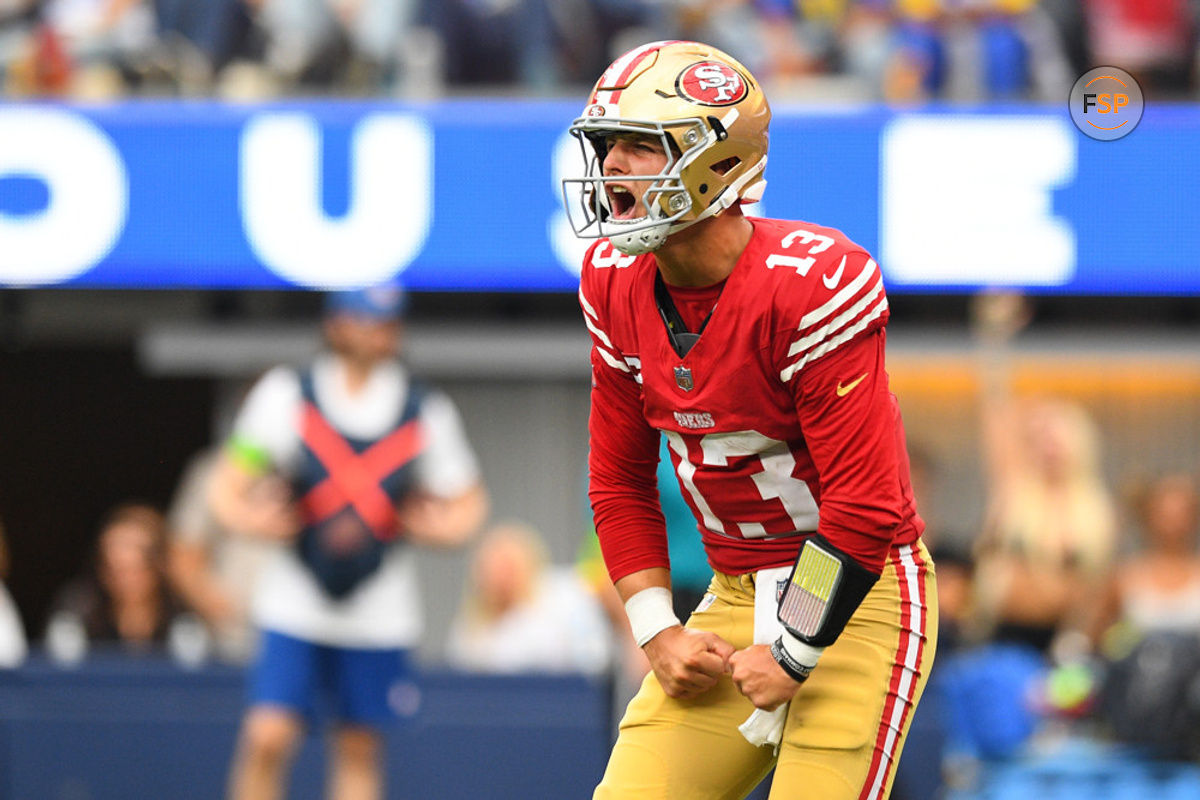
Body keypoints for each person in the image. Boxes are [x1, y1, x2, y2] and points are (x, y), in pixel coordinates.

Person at [562, 40, 937, 800]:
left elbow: (867, 507)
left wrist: (796, 646)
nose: (613, 170)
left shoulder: (811, 284)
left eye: (640, 147)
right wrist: (657, 629)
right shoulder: (612, 281)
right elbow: (619, 478)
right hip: (732, 594)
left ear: (716, 162)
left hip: (856, 600)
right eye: (608, 148)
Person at [208, 285, 488, 800]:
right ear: (335, 324)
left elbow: (468, 504)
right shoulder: (286, 392)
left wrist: (435, 528)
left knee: (359, 743)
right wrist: (251, 519)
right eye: (364, 321)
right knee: (268, 734)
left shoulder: (423, 409)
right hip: (294, 596)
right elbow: (228, 480)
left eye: (386, 323)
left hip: (380, 604)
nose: (377, 334)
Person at [445, 521, 612, 675]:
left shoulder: (566, 596)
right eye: (492, 569)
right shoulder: (470, 627)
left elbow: (594, 660)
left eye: (507, 566)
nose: (500, 577)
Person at [167, 447, 279, 663]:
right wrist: (226, 613)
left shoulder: (325, 465)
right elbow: (184, 553)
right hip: (232, 644)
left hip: (312, 633)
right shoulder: (214, 469)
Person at [46, 503, 186, 654]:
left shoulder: (183, 613)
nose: (125, 581)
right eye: (114, 570)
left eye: (135, 569)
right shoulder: (79, 610)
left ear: (160, 566)